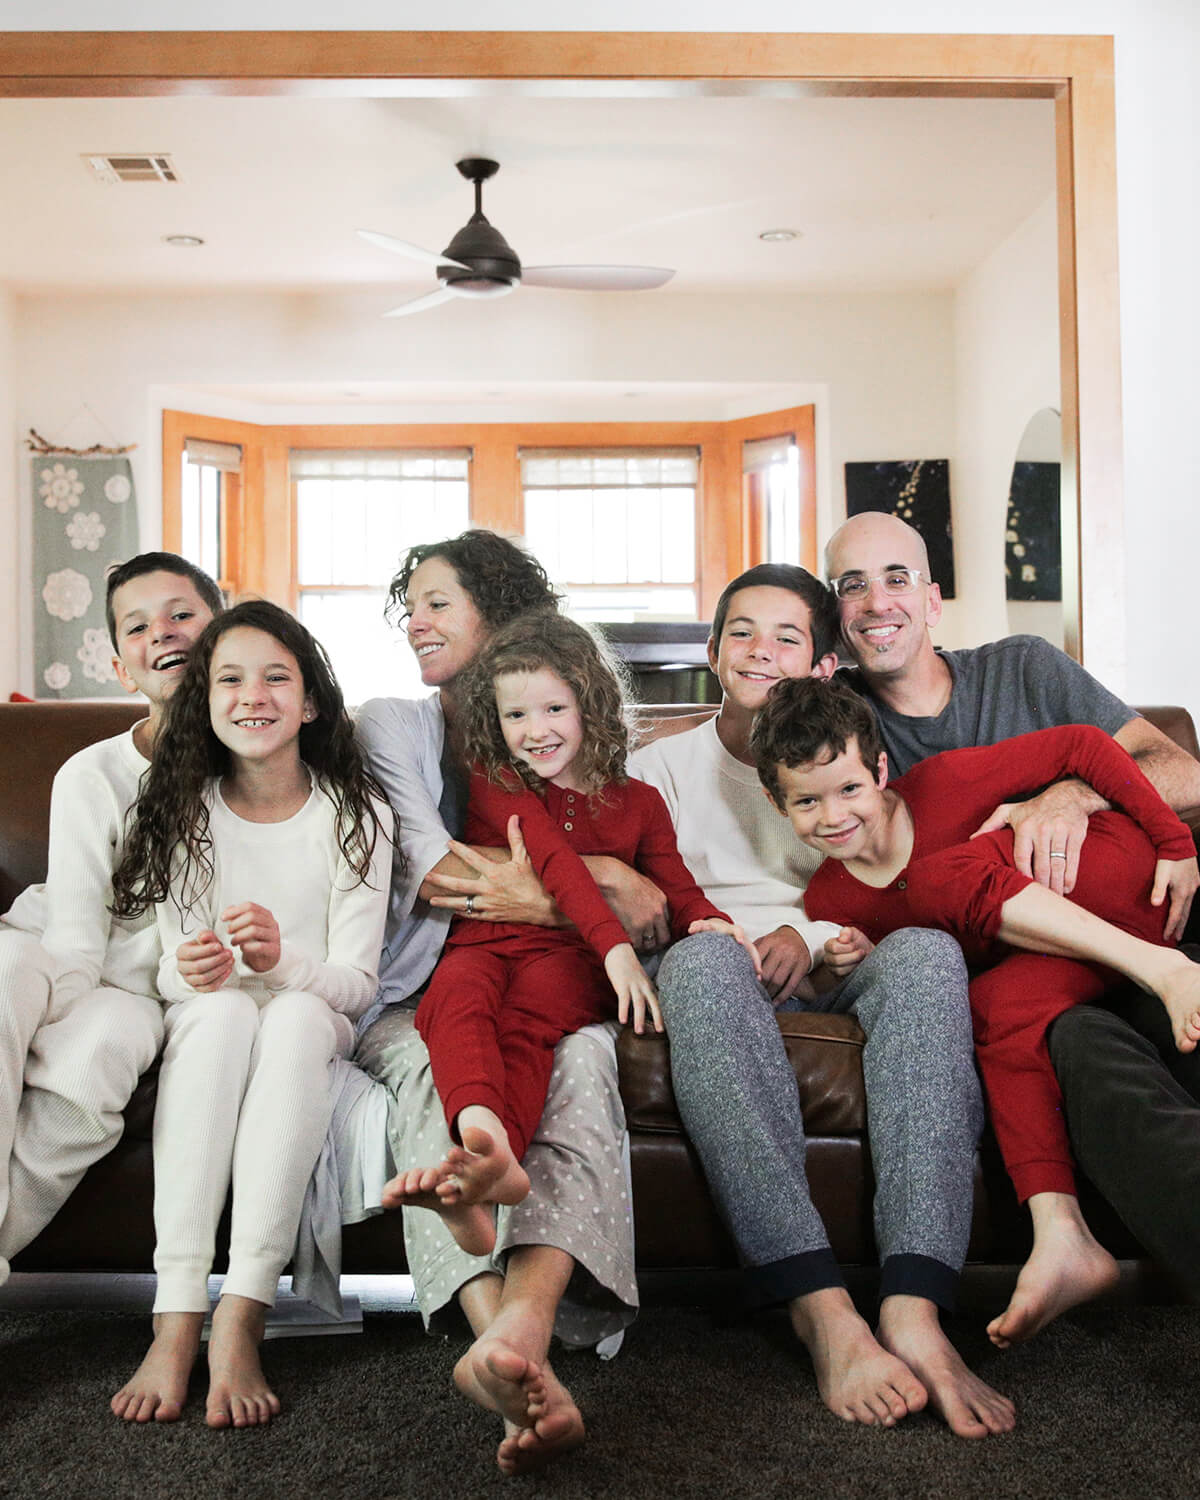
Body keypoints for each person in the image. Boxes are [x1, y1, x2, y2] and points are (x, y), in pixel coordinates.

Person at [631, 564, 1015, 1439]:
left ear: (824, 663)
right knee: (700, 966)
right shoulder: (654, 769)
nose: (760, 650)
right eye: (741, 631)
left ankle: (915, 1309)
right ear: (712, 650)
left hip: (841, 957)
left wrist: (804, 941)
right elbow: (627, 875)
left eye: (788, 636)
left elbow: (895, 868)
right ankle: (821, 1309)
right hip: (713, 965)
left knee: (924, 952)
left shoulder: (854, 750)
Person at [826, 508, 1200, 1333]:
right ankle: (1064, 1237)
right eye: (851, 585)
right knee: (1091, 1064)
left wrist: (1070, 791)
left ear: (932, 600)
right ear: (836, 614)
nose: (875, 601)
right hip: (1042, 990)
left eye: (896, 579)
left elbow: (1179, 770)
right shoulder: (840, 734)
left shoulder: (1022, 670)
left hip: (1142, 916)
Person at [752, 674, 1200, 1345]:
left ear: (880, 771)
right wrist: (846, 964)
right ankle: (1062, 1235)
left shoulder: (943, 783)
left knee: (938, 878)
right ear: (776, 802)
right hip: (1076, 962)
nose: (834, 815)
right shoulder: (831, 900)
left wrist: (1175, 842)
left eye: (850, 789)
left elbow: (1082, 744)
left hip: (1122, 879)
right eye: (807, 802)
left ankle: (1169, 971)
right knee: (988, 1006)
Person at [354, 530, 653, 1476]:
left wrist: (596, 879)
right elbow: (435, 867)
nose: (416, 621)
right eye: (413, 604)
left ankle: (523, 1322)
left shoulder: (570, 731)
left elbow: (650, 892)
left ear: (501, 611)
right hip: (423, 982)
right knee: (433, 1065)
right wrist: (584, 885)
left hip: (552, 973)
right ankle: (498, 1337)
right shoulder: (396, 724)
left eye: (439, 601)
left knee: (589, 1058)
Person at [107, 600, 391, 1429]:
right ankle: (178, 1316)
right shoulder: (183, 809)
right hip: (217, 1021)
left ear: (309, 703)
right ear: (205, 700)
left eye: (277, 677)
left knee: (296, 1017)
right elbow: (170, 968)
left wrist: (282, 962)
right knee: (224, 1013)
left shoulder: (354, 817)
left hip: (315, 1021)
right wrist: (186, 969)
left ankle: (243, 1315)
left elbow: (354, 985)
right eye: (228, 678)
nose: (252, 695)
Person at [391, 611, 754, 1249]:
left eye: (553, 709)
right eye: (515, 716)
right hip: (486, 942)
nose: (535, 732)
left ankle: (496, 1158)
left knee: (527, 1026)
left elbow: (678, 888)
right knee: (451, 1002)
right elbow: (551, 861)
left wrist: (714, 924)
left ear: (591, 704)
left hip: (568, 957)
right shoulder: (495, 778)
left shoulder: (639, 802)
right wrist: (619, 949)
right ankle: (484, 1143)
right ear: (493, 722)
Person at [0, 553, 222, 1284]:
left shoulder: (265, 773)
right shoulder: (91, 775)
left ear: (226, 634)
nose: (163, 631)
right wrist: (39, 1020)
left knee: (98, 1056)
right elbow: (70, 938)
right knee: (6, 981)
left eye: (182, 613)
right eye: (138, 625)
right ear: (125, 669)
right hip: (51, 950)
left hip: (139, 996)